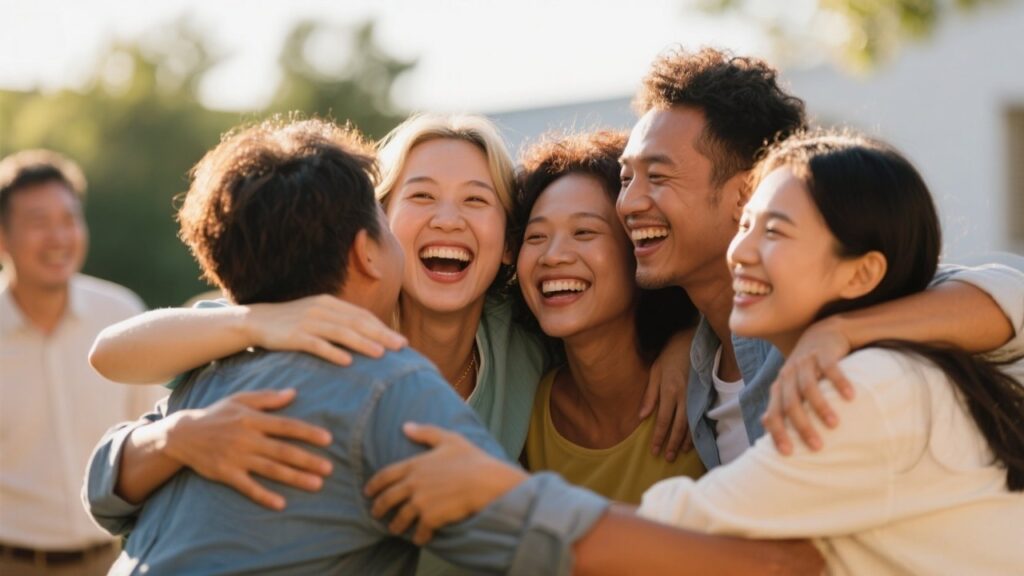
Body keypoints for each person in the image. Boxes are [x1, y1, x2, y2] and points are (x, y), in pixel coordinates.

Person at [365, 131, 1024, 575]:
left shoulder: (865, 386)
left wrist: (493, 491)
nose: (739, 251)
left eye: (775, 231)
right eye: (745, 228)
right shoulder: (535, 352)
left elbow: (708, 535)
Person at [84, 117, 614, 575]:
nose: (448, 219)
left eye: (476, 199)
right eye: (422, 195)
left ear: (507, 243)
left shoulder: (522, 332)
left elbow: (613, 319)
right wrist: (251, 329)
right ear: (374, 233)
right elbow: (110, 355)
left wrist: (684, 348)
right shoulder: (289, 332)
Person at [616, 46, 1024, 469]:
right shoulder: (698, 366)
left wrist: (844, 331)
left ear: (746, 194)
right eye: (625, 178)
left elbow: (1011, 293)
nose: (628, 203)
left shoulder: (842, 315)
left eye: (658, 176)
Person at [514, 130, 704, 503]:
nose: (553, 256)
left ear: (639, 250)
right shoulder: (525, 413)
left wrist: (696, 338)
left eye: (584, 232)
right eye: (536, 237)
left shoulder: (701, 387)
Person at [0, 149, 163, 575]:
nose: (59, 237)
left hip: (113, 562)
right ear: (2, 239)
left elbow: (154, 434)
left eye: (69, 219)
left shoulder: (122, 315)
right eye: (38, 223)